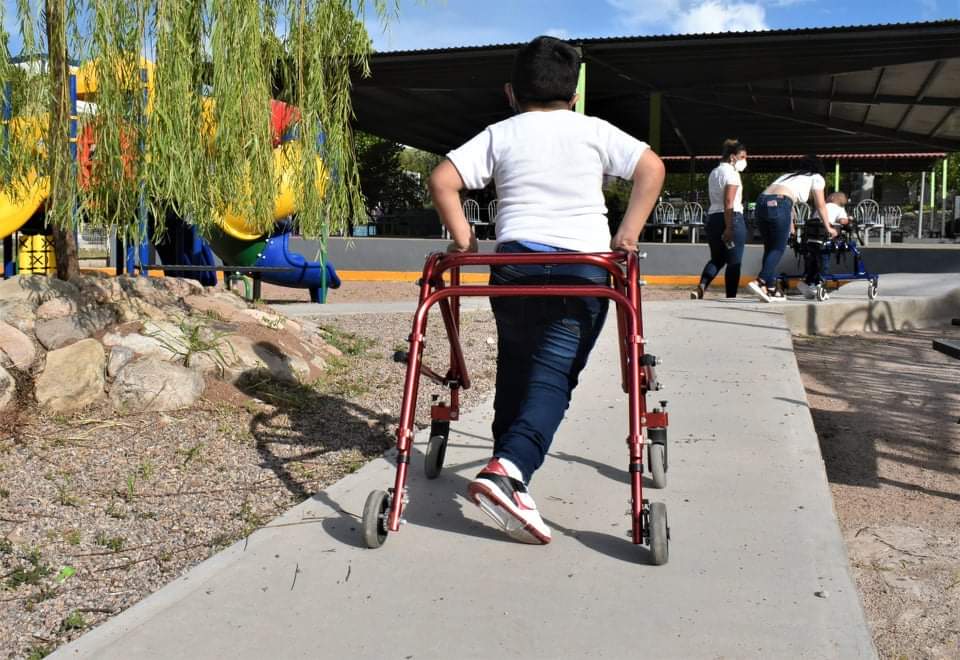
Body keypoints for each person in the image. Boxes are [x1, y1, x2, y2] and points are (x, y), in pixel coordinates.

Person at [427, 36, 665, 544]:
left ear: (511, 92)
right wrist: (626, 236)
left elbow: (443, 179)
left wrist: (465, 241)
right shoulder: (593, 130)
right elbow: (651, 168)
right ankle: (508, 470)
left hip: (516, 265)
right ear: (574, 95)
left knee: (516, 364)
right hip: (582, 267)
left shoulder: (500, 133)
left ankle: (506, 463)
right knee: (554, 375)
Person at [748, 155, 837, 302]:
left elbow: (783, 202)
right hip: (780, 203)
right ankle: (760, 282)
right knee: (778, 249)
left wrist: (791, 225)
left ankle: (770, 288)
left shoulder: (788, 176)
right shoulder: (816, 177)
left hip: (761, 203)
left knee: (770, 248)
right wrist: (828, 227)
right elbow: (820, 205)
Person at [691, 139, 748, 299]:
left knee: (717, 258)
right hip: (731, 217)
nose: (745, 161)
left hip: (713, 218)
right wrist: (729, 227)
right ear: (733, 157)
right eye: (742, 157)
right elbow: (729, 201)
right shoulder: (732, 174)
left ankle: (701, 286)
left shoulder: (714, 173)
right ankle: (731, 297)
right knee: (734, 261)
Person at [797, 191, 852, 299]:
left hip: (811, 238)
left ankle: (809, 282)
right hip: (824, 238)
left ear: (831, 198)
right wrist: (848, 219)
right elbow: (842, 220)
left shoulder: (821, 207)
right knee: (823, 263)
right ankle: (819, 284)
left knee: (812, 262)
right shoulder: (840, 209)